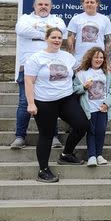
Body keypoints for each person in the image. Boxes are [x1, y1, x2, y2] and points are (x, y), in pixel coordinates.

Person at [24, 27, 89, 182]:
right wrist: (31, 103)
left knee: (82, 125)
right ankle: (43, 170)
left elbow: (79, 70)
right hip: (44, 101)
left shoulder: (67, 56)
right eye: (53, 37)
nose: (57, 40)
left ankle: (66, 154)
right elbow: (29, 81)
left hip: (66, 98)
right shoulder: (36, 58)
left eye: (60, 38)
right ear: (46, 38)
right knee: (46, 135)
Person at [12, 0, 66, 150]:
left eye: (46, 4)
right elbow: (22, 30)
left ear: (51, 7)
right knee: (24, 103)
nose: (43, 7)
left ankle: (54, 136)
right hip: (28, 67)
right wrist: (46, 35)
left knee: (51, 102)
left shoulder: (57, 20)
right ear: (34, 6)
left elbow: (62, 32)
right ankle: (20, 136)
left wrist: (37, 32)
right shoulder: (25, 19)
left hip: (50, 69)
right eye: (40, 4)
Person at [74, 47, 111, 167]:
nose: (99, 59)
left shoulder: (107, 73)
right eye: (96, 57)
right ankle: (91, 156)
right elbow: (74, 89)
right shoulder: (82, 74)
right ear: (90, 58)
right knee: (91, 132)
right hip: (89, 109)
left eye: (101, 57)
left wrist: (106, 103)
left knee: (101, 131)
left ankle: (99, 155)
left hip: (102, 108)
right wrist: (84, 87)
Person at [67, 0, 111, 65]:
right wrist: (71, 58)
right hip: (80, 60)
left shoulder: (105, 19)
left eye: (92, 2)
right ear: (83, 4)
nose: (89, 4)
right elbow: (70, 40)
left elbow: (108, 42)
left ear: (97, 4)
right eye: (87, 2)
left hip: (99, 60)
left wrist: (107, 61)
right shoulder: (75, 19)